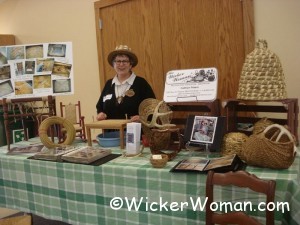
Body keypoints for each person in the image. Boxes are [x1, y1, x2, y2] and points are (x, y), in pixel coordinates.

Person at [96, 45, 155, 122]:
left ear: (131, 64)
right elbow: (100, 107)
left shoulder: (141, 83)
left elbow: (152, 107)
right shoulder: (109, 84)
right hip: (111, 131)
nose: (121, 64)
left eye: (125, 61)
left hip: (135, 131)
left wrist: (142, 117)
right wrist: (100, 114)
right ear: (113, 64)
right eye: (118, 61)